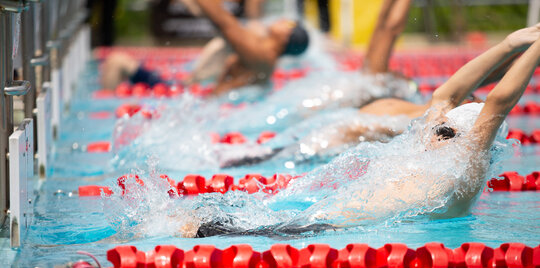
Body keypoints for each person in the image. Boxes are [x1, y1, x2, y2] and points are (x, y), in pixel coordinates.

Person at [174, 24, 540, 237]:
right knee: (211, 226)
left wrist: (528, 47)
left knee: (209, 227)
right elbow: (450, 95)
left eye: (443, 127)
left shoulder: (461, 166)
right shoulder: (446, 158)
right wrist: (511, 44)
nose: (434, 126)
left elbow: (494, 101)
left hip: (324, 227)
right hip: (320, 222)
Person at [101, 0, 309, 95]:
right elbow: (224, 22)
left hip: (185, 97)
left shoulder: (259, 55)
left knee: (116, 62)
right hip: (190, 93)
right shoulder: (259, 51)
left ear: (286, 37)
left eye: (288, 23)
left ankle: (106, 106)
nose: (282, 19)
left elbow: (223, 22)